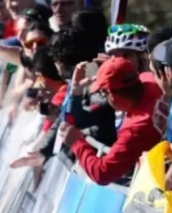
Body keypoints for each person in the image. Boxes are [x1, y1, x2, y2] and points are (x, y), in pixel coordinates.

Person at [58, 57, 163, 185]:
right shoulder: (150, 79)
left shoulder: (134, 131)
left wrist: (76, 143)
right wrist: (75, 93)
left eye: (103, 92)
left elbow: (101, 173)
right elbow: (76, 121)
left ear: (112, 95)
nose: (103, 97)